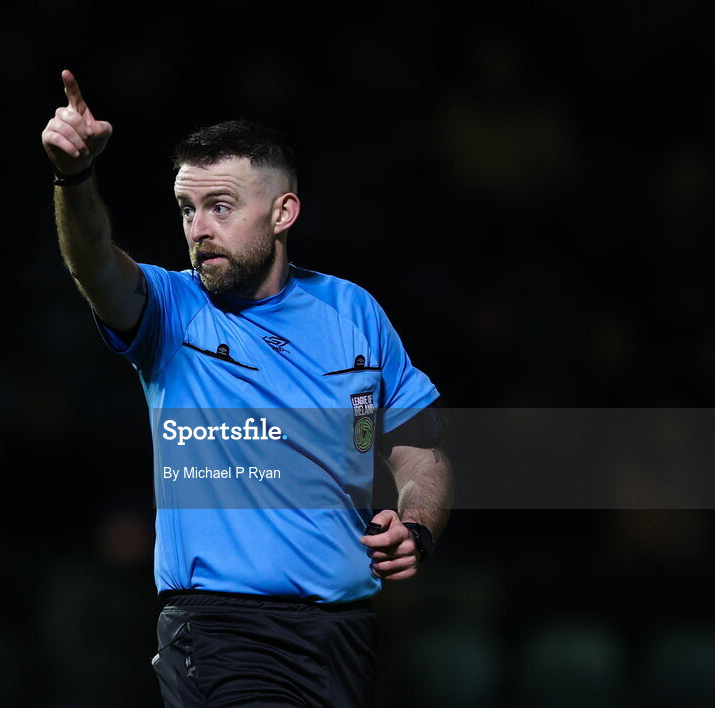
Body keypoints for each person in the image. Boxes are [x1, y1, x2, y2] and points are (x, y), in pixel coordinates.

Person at [41, 69, 454, 708]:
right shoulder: (169, 311)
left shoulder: (353, 311)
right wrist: (74, 178)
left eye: (221, 207)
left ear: (283, 211)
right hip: (222, 632)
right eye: (187, 208)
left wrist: (417, 524)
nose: (198, 228)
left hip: (346, 637)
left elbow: (419, 450)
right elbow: (94, 259)